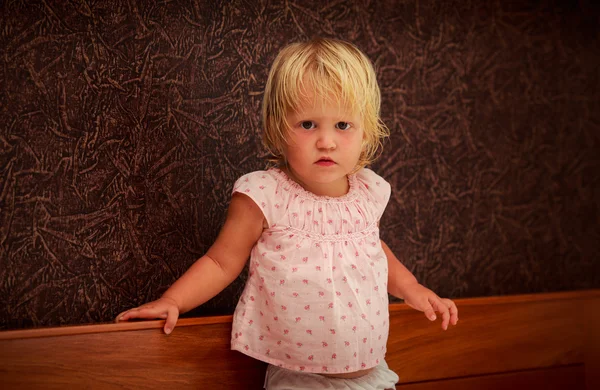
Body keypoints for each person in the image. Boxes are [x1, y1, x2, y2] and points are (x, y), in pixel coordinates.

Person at [116, 37, 458, 389]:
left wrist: (411, 288)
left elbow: (372, 250)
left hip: (371, 374)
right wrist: (174, 300)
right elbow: (221, 262)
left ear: (366, 132)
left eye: (343, 126)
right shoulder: (266, 195)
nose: (326, 141)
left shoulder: (368, 192)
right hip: (301, 378)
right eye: (308, 124)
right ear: (279, 129)